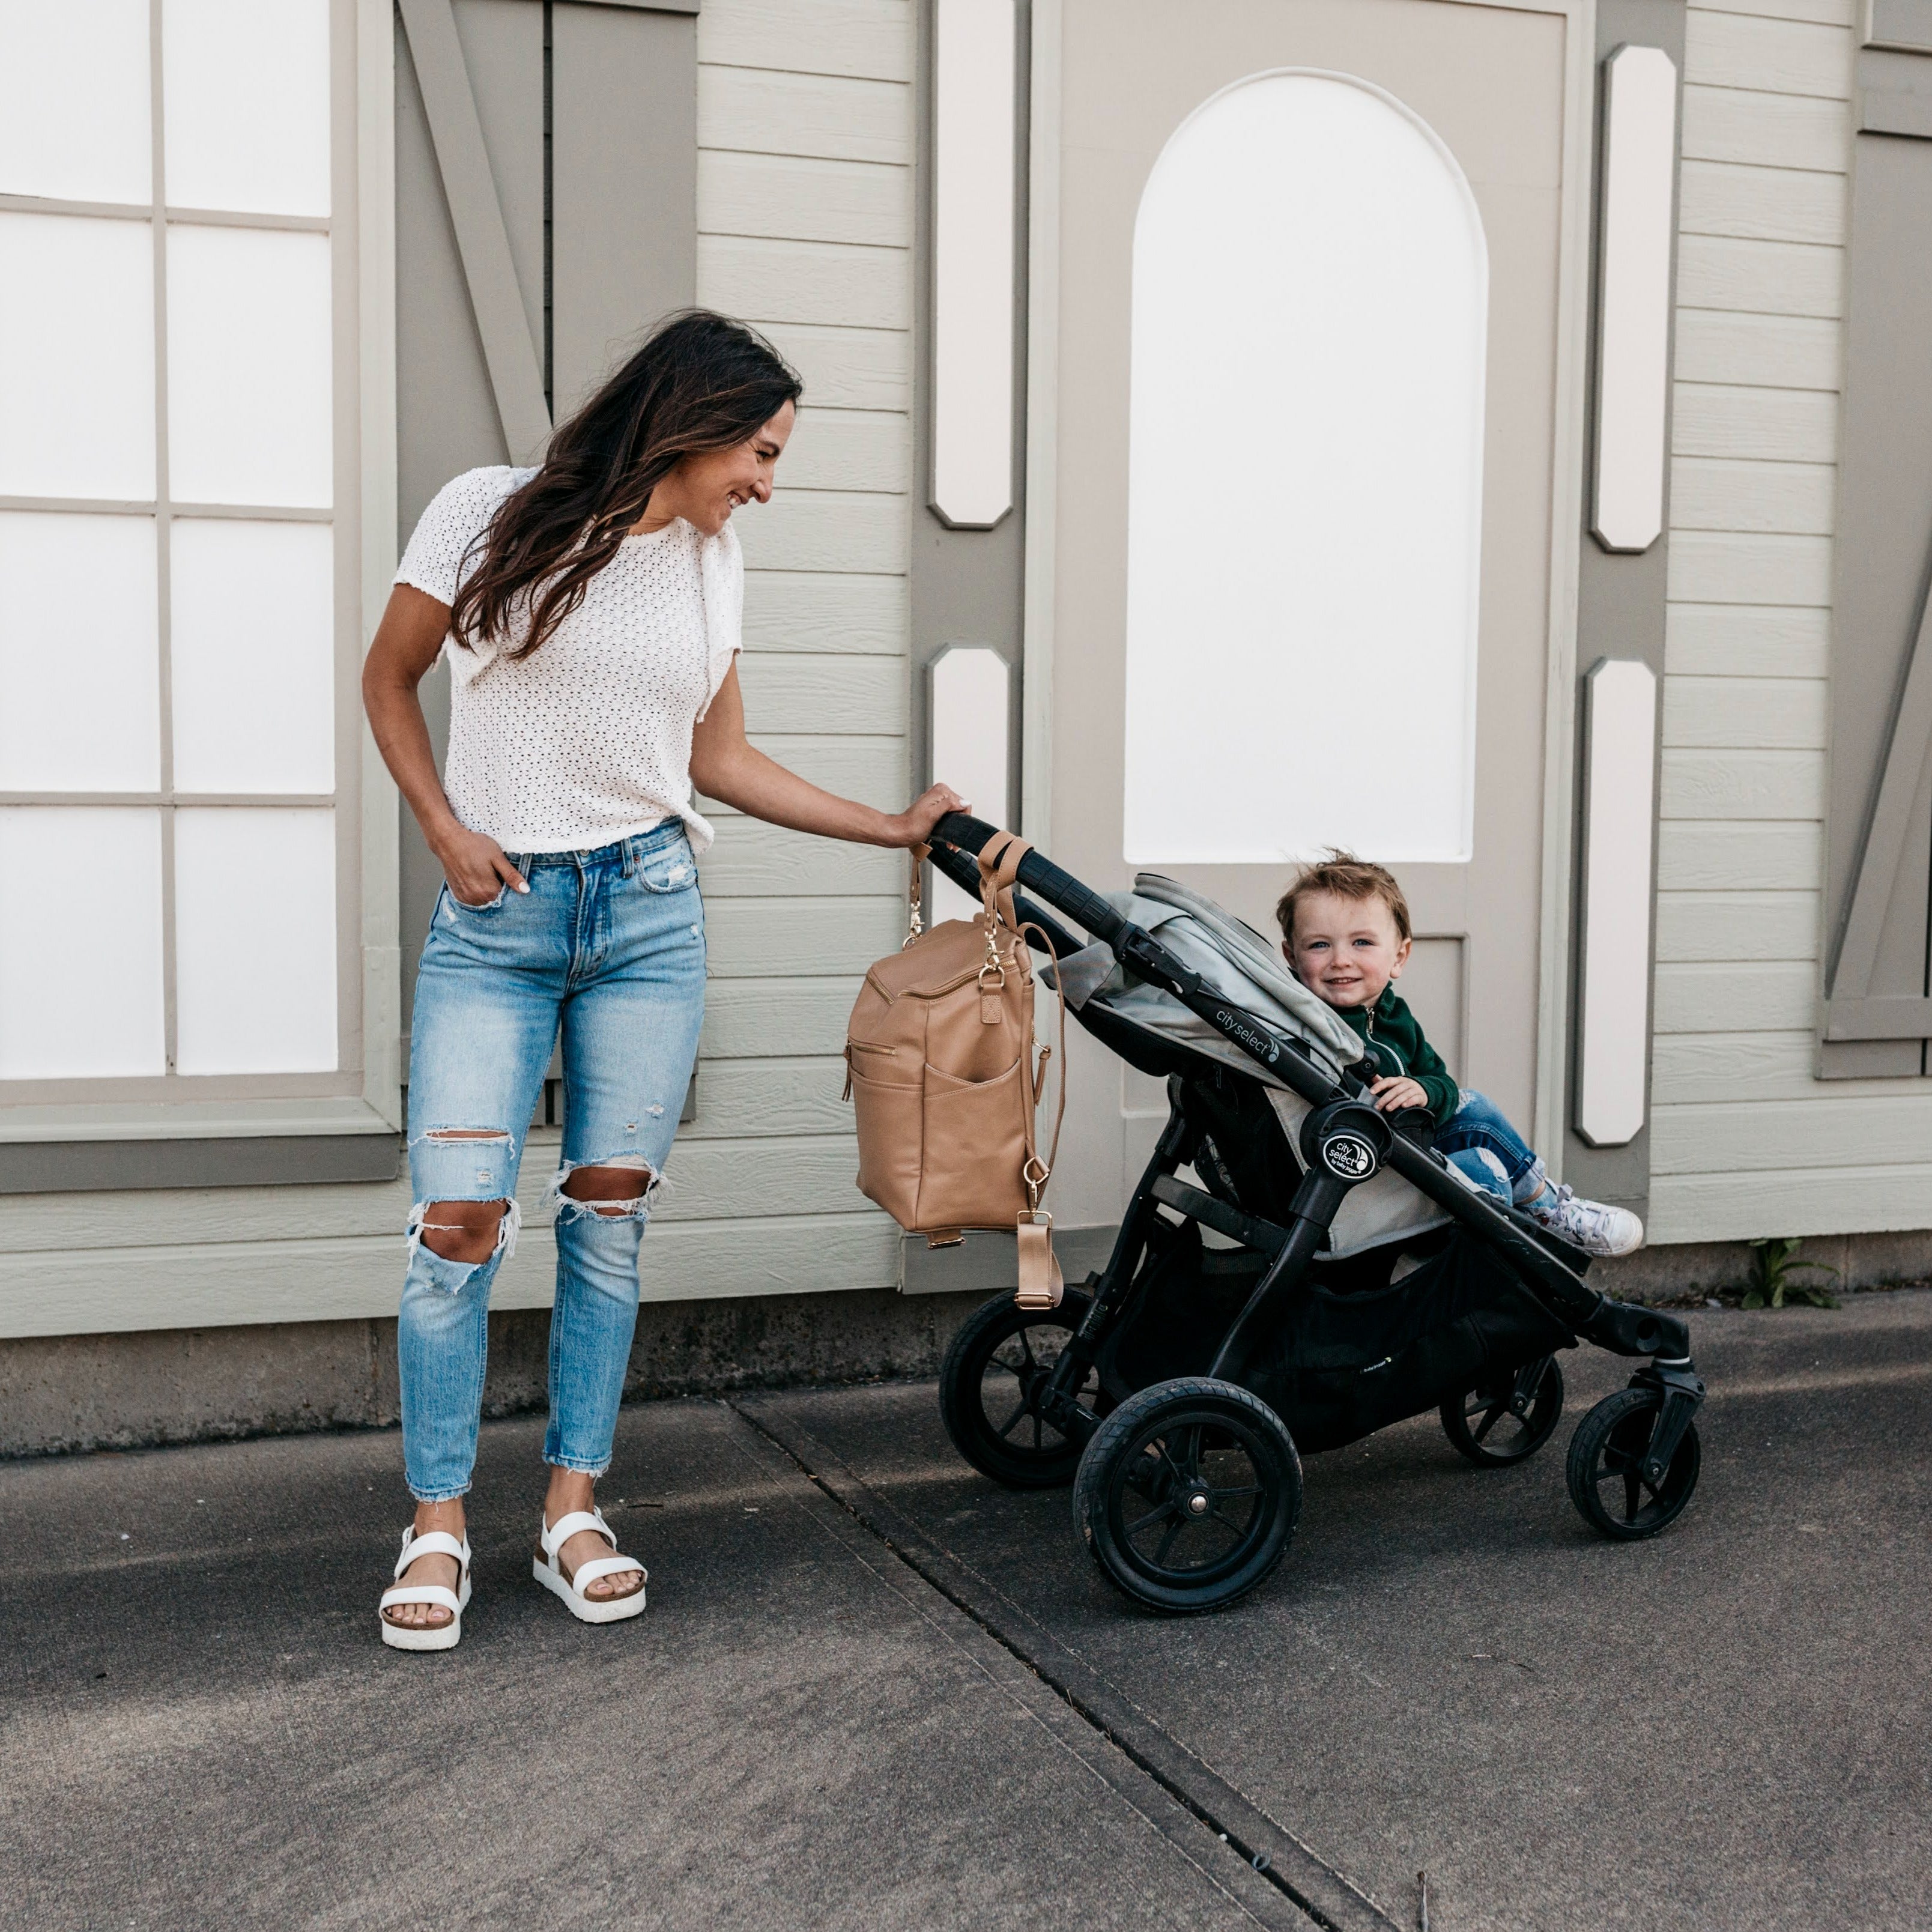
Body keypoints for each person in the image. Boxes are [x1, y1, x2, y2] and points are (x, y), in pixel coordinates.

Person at [361, 311, 964, 1650]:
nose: (766, 478)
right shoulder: (485, 511)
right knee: (457, 1225)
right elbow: (389, 681)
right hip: (498, 919)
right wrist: (445, 830)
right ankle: (438, 1521)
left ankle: (572, 1508)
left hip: (646, 916)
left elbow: (720, 760)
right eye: (759, 449)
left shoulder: (711, 562)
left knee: (609, 1219)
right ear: (687, 423)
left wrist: (887, 827)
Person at [1276, 852, 1643, 1259]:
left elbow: (1442, 1084)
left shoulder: (1394, 1015)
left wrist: (1421, 1090)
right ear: (1291, 957)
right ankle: (1496, 1262)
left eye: (1361, 942)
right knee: (1482, 1167)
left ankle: (1547, 1209)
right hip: (1362, 1168)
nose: (1340, 959)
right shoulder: (1306, 1024)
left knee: (1475, 1112)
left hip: (1411, 1148)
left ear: (1398, 956)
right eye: (1319, 945)